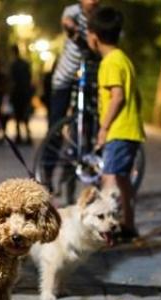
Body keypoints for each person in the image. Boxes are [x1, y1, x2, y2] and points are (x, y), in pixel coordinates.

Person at [87, 6, 145, 242]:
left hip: (118, 131)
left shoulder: (109, 63)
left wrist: (104, 128)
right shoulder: (124, 59)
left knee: (109, 180)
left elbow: (117, 96)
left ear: (94, 36)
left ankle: (109, 228)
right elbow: (134, 96)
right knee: (122, 180)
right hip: (130, 130)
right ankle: (128, 225)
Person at [42, 0, 100, 192]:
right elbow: (67, 21)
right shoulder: (73, 11)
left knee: (86, 124)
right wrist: (73, 28)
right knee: (56, 127)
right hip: (64, 77)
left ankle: (74, 169)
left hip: (88, 76)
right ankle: (47, 175)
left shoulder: (99, 16)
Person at [9, 45, 33, 144]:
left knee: (19, 116)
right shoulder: (24, 64)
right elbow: (29, 78)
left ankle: (20, 136)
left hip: (18, 93)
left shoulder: (14, 65)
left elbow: (12, 80)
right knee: (24, 116)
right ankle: (26, 137)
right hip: (24, 92)